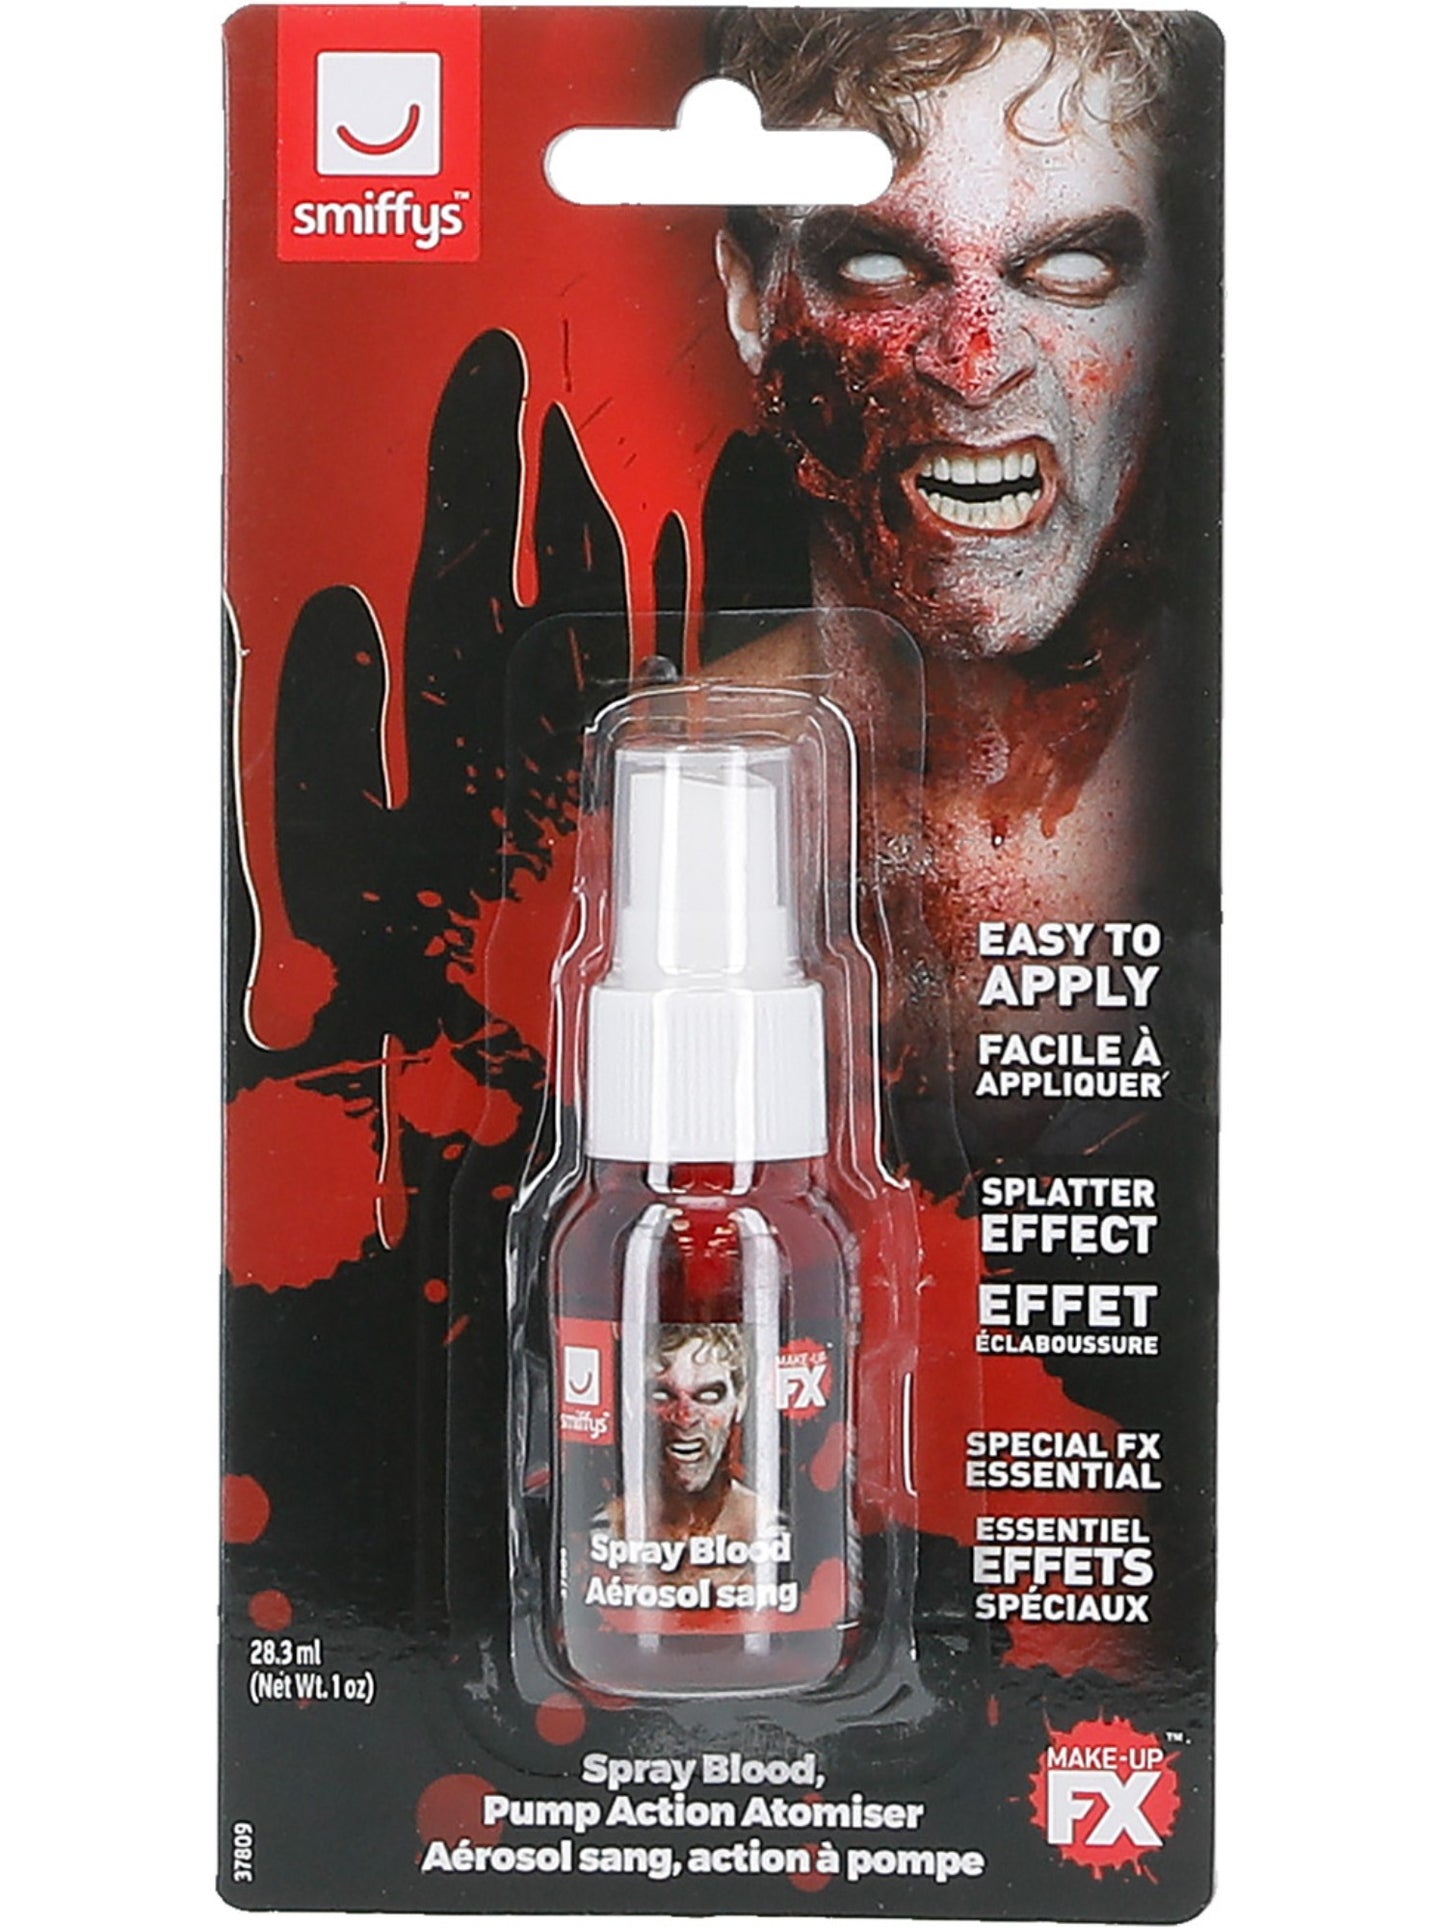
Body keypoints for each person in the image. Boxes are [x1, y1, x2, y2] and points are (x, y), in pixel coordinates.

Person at [707, 9, 1216, 1156]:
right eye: (878, 264)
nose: (976, 363)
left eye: (1072, 267)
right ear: (751, 302)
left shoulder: (1268, 795)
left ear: (1175, 316)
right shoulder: (638, 797)